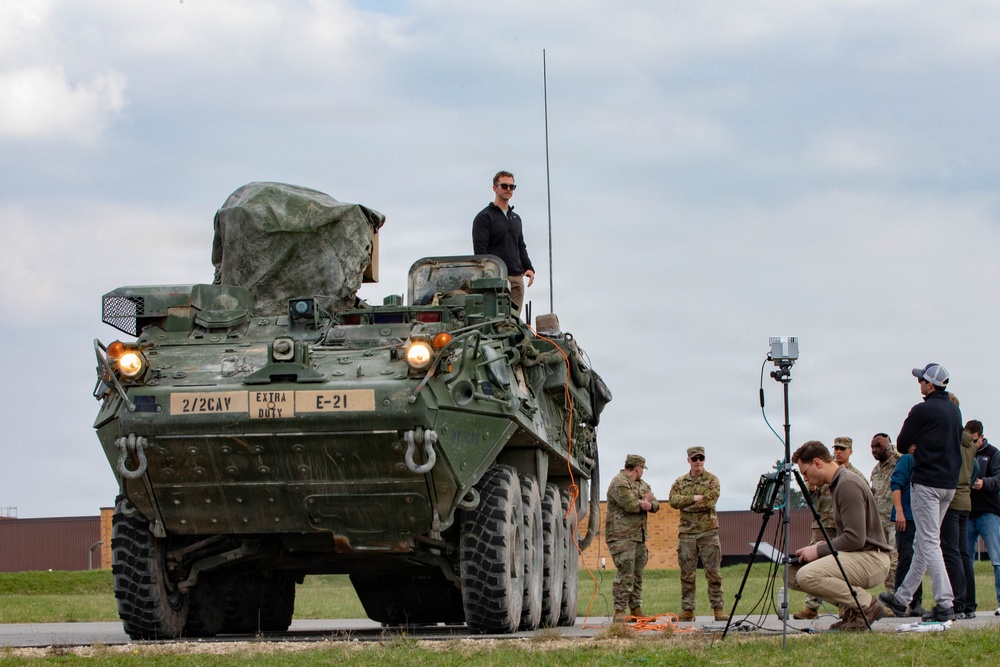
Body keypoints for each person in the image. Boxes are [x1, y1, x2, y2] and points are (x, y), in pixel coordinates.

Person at [879, 363, 963, 622]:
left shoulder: (921, 410)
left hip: (926, 482)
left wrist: (918, 444)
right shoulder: (954, 411)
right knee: (923, 543)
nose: (919, 385)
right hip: (949, 484)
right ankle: (902, 598)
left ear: (929, 384)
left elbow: (902, 443)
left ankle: (944, 603)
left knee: (928, 542)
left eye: (921, 381)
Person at [789, 440, 891, 630]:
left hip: (872, 558)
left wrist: (818, 550)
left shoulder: (847, 484)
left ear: (817, 463)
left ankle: (867, 606)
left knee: (807, 575)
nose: (805, 479)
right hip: (859, 555)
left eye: (804, 473)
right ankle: (853, 608)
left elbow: (855, 538)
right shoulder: (838, 484)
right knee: (793, 574)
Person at [792, 437, 866, 620]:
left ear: (850, 451)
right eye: (836, 448)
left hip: (843, 528)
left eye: (843, 448)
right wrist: (809, 485)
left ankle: (851, 605)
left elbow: (858, 528)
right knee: (809, 567)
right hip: (822, 523)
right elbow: (812, 496)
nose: (839, 451)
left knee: (837, 567)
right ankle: (811, 606)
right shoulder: (824, 474)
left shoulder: (852, 478)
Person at [668, 446, 726, 622]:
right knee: (687, 573)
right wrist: (694, 498)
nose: (698, 461)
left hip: (708, 532)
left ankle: (718, 608)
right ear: (689, 461)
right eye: (695, 459)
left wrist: (686, 504)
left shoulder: (712, 480)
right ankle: (687, 610)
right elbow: (672, 500)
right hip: (687, 534)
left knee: (713, 572)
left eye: (701, 458)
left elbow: (709, 501)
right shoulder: (680, 482)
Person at [605, 454, 659, 623]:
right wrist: (644, 502)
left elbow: (655, 504)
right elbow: (631, 505)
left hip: (638, 536)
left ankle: (636, 609)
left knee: (637, 574)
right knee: (625, 574)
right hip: (621, 536)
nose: (642, 472)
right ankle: (619, 611)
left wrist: (649, 504)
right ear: (637, 468)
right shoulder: (619, 482)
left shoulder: (642, 484)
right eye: (642, 468)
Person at [471, 171, 535, 313]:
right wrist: (489, 275)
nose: (508, 189)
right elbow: (480, 252)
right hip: (497, 277)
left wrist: (528, 268)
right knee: (497, 319)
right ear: (495, 188)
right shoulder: (484, 217)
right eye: (504, 186)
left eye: (512, 187)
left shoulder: (516, 218)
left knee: (513, 321)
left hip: (517, 277)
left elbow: (520, 245)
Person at [941, 404, 979, 620]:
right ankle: (969, 603)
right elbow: (976, 469)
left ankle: (958, 601)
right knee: (964, 553)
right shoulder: (970, 444)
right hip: (966, 500)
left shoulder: (951, 440)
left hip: (952, 501)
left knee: (951, 552)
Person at [967, 419, 1000, 616]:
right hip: (968, 513)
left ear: (981, 436)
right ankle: (968, 604)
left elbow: (998, 478)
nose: (971, 445)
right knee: (966, 559)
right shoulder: (964, 454)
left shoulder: (993, 454)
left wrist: (984, 483)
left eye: (974, 440)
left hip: (988, 513)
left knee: (996, 559)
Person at [890, 443, 924, 617]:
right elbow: (895, 484)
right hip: (906, 518)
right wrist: (900, 511)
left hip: (920, 517)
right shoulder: (907, 460)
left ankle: (916, 602)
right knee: (906, 559)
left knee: (919, 559)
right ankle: (900, 602)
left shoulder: (924, 461)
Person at [869, 433, 900, 596]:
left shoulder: (897, 463)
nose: (874, 450)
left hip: (895, 520)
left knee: (894, 560)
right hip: (880, 522)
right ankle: (891, 595)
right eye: (872, 447)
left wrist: (892, 449)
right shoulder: (875, 470)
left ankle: (894, 597)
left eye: (878, 446)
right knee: (884, 560)